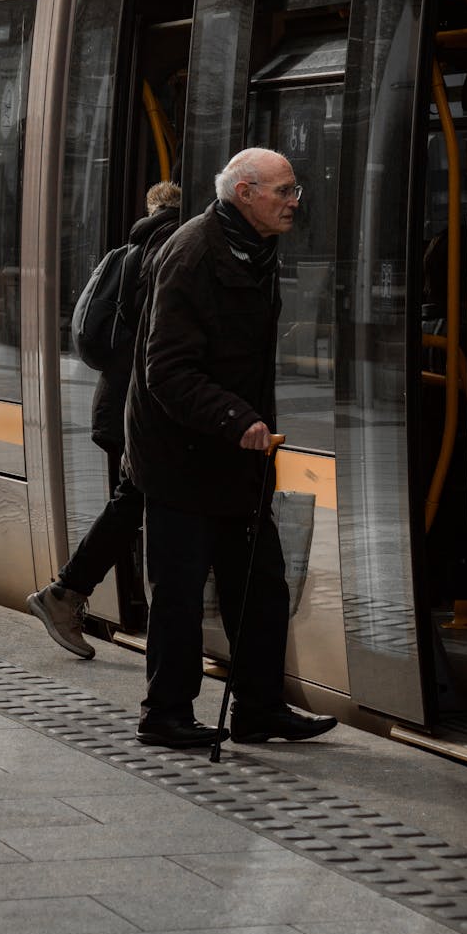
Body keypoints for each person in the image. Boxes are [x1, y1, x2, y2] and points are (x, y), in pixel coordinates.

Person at [123, 148, 338, 749]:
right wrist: (234, 416)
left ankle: (259, 708)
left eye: (295, 189)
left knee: (260, 585)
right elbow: (165, 369)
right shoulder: (193, 253)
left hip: (234, 456)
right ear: (245, 194)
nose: (295, 201)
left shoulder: (253, 246)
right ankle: (164, 713)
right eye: (284, 190)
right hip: (179, 457)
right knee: (180, 592)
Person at [27, 181, 181, 658]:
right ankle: (65, 593)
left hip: (119, 405)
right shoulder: (165, 251)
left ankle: (70, 595)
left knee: (133, 503)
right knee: (133, 504)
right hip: (140, 410)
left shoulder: (129, 251)